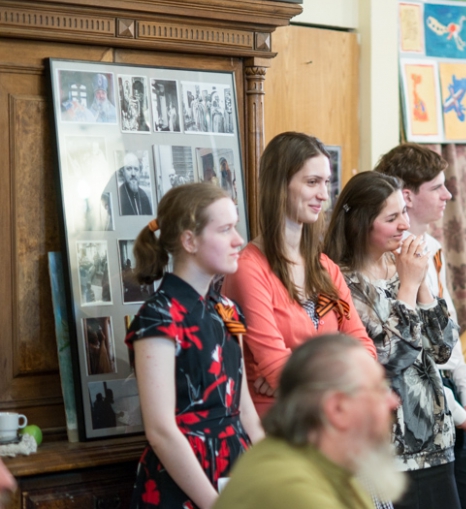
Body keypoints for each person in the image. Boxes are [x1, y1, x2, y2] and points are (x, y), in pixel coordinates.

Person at [324, 171, 460, 509]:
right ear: (361, 223)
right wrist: (408, 287)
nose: (405, 225)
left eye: (404, 213)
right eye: (391, 218)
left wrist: (420, 282)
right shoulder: (343, 282)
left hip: (437, 442)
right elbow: (388, 359)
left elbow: (443, 349)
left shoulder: (404, 267)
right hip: (389, 450)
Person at [124, 182, 264, 509]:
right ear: (190, 241)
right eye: (225, 229)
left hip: (236, 468)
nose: (239, 240)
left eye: (236, 227)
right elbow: (160, 430)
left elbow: (244, 410)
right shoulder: (158, 315)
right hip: (185, 479)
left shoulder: (228, 309)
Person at [222, 132, 376, 416]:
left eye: (326, 182)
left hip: (328, 421)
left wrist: (297, 375)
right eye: (312, 182)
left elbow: (366, 353)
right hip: (278, 426)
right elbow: (276, 369)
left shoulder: (325, 267)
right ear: (280, 186)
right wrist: (334, 370)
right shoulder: (248, 268)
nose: (324, 194)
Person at [375, 144, 466, 509]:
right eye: (437, 187)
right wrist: (460, 413)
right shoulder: (389, 260)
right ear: (408, 196)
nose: (448, 194)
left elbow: (447, 343)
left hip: (448, 398)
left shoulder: (432, 249)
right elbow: (406, 355)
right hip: (417, 408)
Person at [215, 334, 406, 509]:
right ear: (337, 409)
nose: (393, 401)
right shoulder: (291, 487)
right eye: (379, 390)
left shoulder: (330, 463)